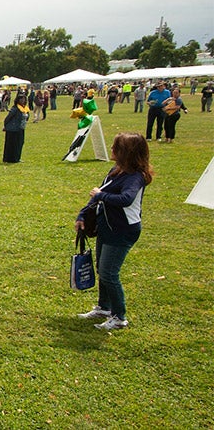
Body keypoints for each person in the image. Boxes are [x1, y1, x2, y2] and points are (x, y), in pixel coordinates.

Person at [76, 133, 152, 331]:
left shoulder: (136, 177)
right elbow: (97, 196)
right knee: (103, 269)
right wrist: (83, 214)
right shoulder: (116, 171)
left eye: (115, 148)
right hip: (106, 227)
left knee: (110, 273)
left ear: (127, 153)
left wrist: (102, 195)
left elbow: (125, 199)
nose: (111, 150)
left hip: (123, 230)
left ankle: (119, 317)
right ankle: (104, 307)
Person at [2, 95, 29, 163]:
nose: (23, 101)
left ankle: (17, 158)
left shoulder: (25, 108)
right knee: (12, 144)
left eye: (24, 99)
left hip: (21, 128)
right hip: (13, 129)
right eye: (21, 99)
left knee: (20, 143)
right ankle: (10, 159)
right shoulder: (15, 108)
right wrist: (6, 126)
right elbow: (8, 118)